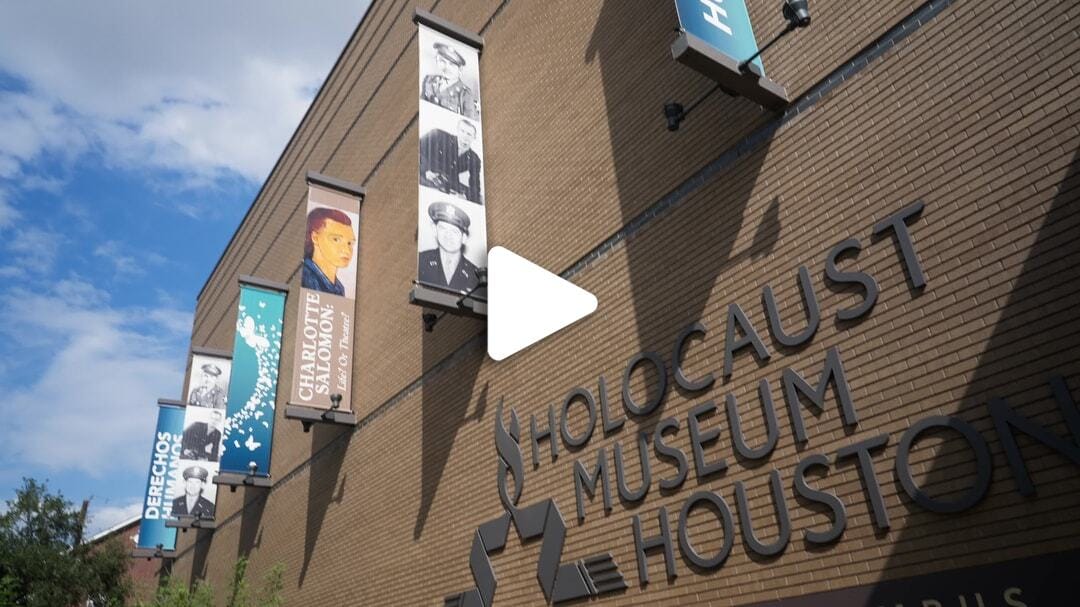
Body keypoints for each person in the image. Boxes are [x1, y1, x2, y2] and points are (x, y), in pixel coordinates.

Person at [418, 201, 480, 292]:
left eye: (454, 231)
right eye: (443, 228)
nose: (448, 235)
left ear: (464, 238)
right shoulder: (421, 261)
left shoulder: (475, 275)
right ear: (435, 230)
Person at [420, 119, 482, 204]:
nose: (465, 136)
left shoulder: (475, 159)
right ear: (457, 131)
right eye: (462, 131)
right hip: (425, 173)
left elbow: (475, 186)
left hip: (448, 183)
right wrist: (425, 170)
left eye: (469, 134)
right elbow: (416, 150)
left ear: (474, 138)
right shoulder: (437, 135)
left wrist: (465, 196)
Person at [302, 207, 356, 296]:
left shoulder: (339, 288)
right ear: (315, 237)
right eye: (336, 239)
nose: (346, 250)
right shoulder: (305, 277)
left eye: (350, 243)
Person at [421, 42, 479, 119]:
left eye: (452, 64)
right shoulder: (429, 80)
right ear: (437, 61)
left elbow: (469, 123)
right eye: (442, 61)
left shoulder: (465, 94)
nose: (446, 68)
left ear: (460, 69)